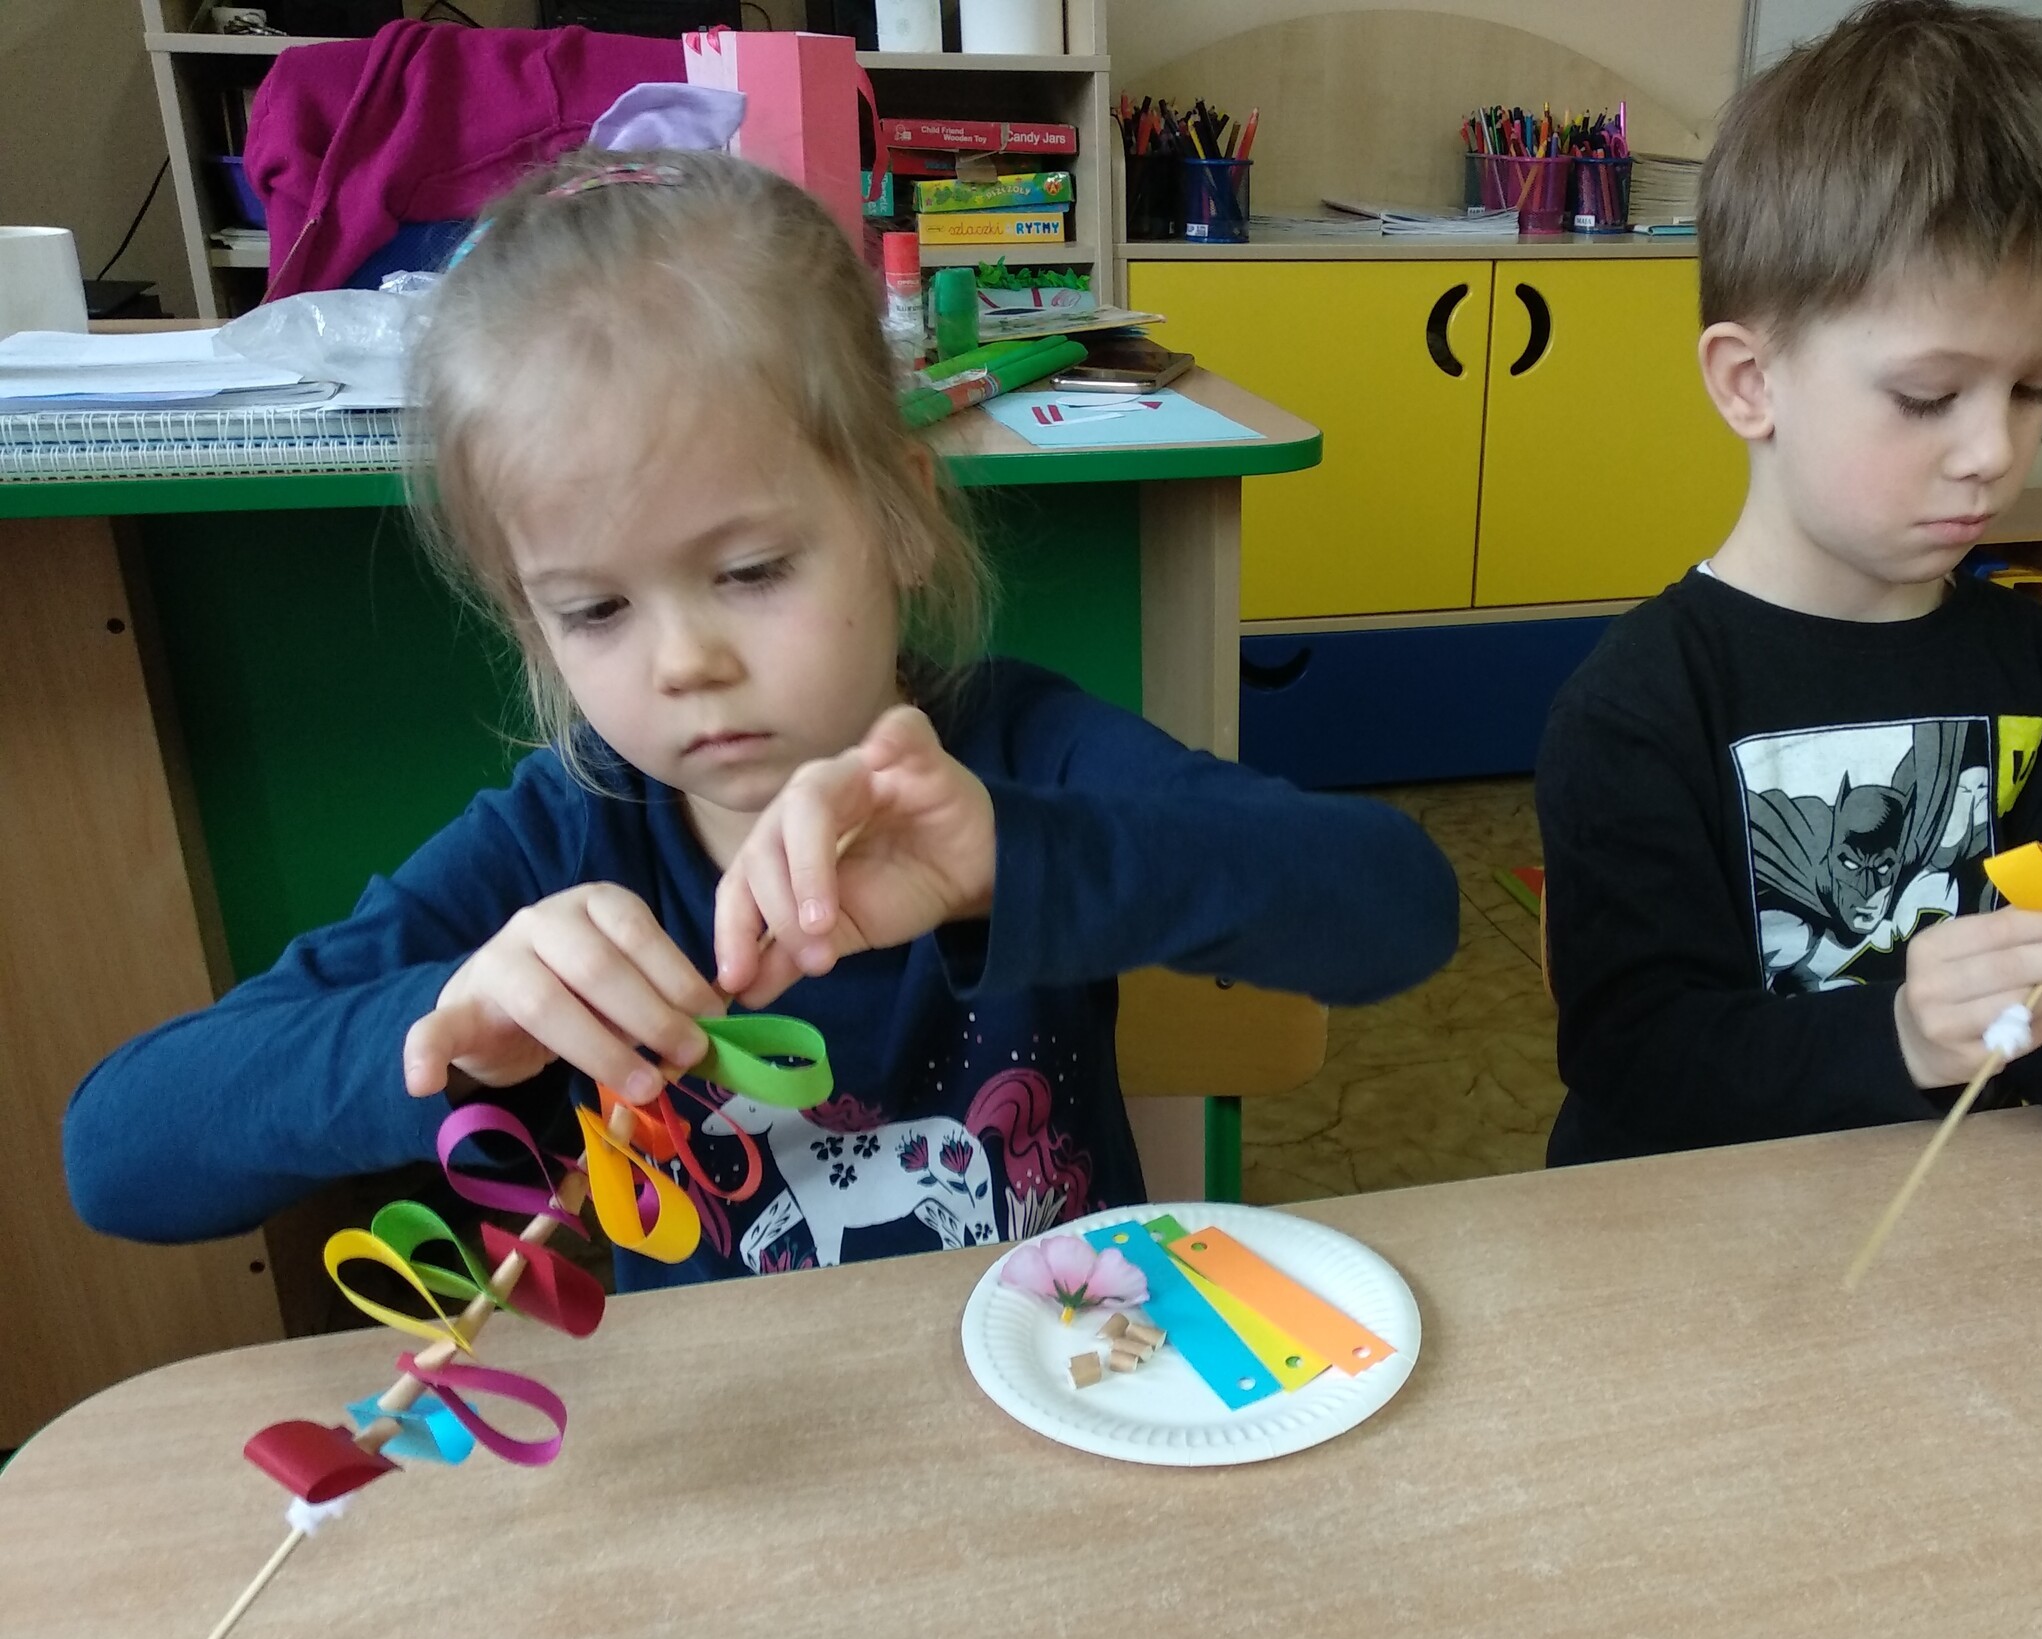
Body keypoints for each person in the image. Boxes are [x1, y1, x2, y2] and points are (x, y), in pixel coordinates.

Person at [65, 150, 1457, 1282]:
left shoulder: (1021, 757)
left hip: (1062, 1402)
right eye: (594, 610)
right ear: (528, 620)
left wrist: (1012, 858)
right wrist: (437, 1022)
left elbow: (1399, 909)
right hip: (738, 1475)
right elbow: (115, 1155)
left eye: (750, 574)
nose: (685, 663)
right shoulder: (558, 846)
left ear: (899, 516)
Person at [1537, 0, 2042, 1166]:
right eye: (1928, 396)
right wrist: (1900, 1036)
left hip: (1968, 1210)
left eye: (2033, 389)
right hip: (1687, 1222)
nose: (1991, 451)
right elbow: (1634, 1062)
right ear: (1750, 382)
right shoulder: (1638, 705)